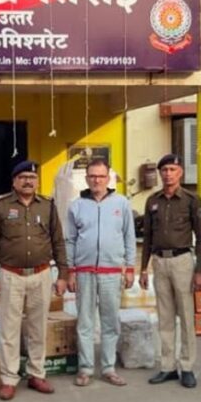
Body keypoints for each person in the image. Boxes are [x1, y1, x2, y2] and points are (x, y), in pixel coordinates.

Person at [0, 160, 69, 401]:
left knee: (37, 329)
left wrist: (63, 274)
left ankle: (36, 374)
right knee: (9, 330)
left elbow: (58, 241)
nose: (28, 181)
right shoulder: (0, 206)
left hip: (41, 275)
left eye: (32, 177)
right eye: (23, 177)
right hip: (11, 276)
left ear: (37, 181)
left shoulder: (48, 206)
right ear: (14, 182)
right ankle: (9, 379)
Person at [65, 159, 136, 387]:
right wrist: (70, 270)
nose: (97, 180)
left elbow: (129, 236)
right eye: (92, 176)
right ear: (86, 179)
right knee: (85, 323)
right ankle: (85, 368)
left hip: (111, 272)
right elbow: (70, 240)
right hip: (84, 272)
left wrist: (130, 267)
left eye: (101, 176)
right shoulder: (76, 206)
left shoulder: (121, 203)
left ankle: (108, 368)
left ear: (108, 178)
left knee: (110, 322)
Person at [139, 154, 201, 388]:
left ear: (180, 173)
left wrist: (199, 271)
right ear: (160, 173)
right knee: (165, 316)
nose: (168, 174)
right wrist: (143, 268)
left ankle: (187, 366)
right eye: (164, 170)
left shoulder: (191, 200)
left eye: (172, 170)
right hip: (159, 261)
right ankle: (167, 366)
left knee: (186, 316)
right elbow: (148, 237)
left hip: (182, 261)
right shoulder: (152, 201)